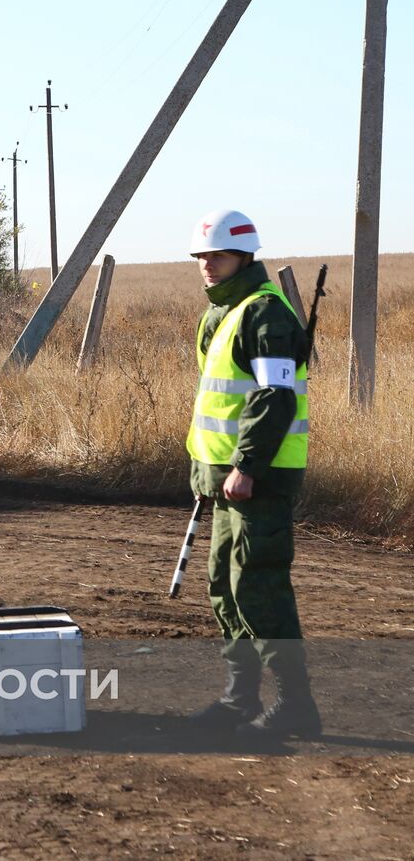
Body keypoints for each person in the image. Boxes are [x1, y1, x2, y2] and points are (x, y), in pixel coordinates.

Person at [184, 209, 321, 740]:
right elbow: (220, 405)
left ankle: (296, 708)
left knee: (257, 586)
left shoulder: (264, 314)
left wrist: (245, 465)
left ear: (244, 256)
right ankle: (240, 698)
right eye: (202, 257)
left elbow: (275, 396)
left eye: (216, 256)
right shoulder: (224, 315)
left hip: (257, 478)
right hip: (224, 479)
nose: (206, 266)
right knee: (225, 586)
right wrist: (208, 469)